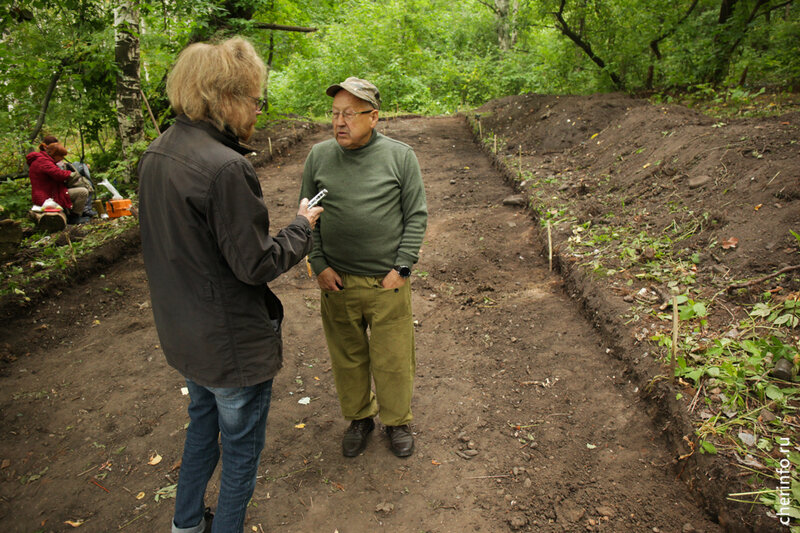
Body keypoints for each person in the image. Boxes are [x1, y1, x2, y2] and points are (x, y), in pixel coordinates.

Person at [138, 37, 322, 533]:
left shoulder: (157, 154)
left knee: (202, 427)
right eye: (254, 98)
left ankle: (186, 523)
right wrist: (302, 225)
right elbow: (255, 264)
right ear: (224, 98)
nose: (259, 109)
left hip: (187, 338)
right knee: (241, 451)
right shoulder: (226, 168)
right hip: (230, 346)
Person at [299, 77, 427, 458]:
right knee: (348, 358)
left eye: (349, 114)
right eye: (335, 114)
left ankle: (397, 421)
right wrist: (318, 263)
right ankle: (359, 418)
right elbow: (308, 216)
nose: (339, 122)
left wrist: (401, 268)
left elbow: (416, 216)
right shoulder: (318, 157)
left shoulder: (400, 156)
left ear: (373, 117)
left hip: (386, 283)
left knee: (393, 359)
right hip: (337, 282)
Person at [26, 141, 90, 224]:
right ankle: (74, 217)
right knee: (82, 192)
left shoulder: (42, 159)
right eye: (61, 156)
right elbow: (58, 174)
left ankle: (72, 215)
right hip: (47, 196)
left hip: (48, 192)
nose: (62, 158)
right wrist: (73, 174)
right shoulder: (43, 161)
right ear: (55, 155)